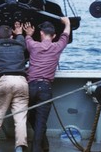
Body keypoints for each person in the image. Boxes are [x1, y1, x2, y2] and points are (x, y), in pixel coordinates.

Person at [23, 17, 71, 152]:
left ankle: (43, 146)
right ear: (54, 36)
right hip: (45, 88)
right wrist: (67, 23)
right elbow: (66, 35)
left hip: (30, 87)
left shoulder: (33, 45)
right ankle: (39, 147)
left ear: (41, 34)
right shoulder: (57, 46)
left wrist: (28, 33)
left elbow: (27, 38)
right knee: (41, 122)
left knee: (31, 118)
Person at [0, 22, 28, 152]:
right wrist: (19, 33)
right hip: (21, 81)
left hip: (4, 81)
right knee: (20, 118)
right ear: (12, 35)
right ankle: (19, 148)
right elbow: (22, 42)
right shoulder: (20, 44)